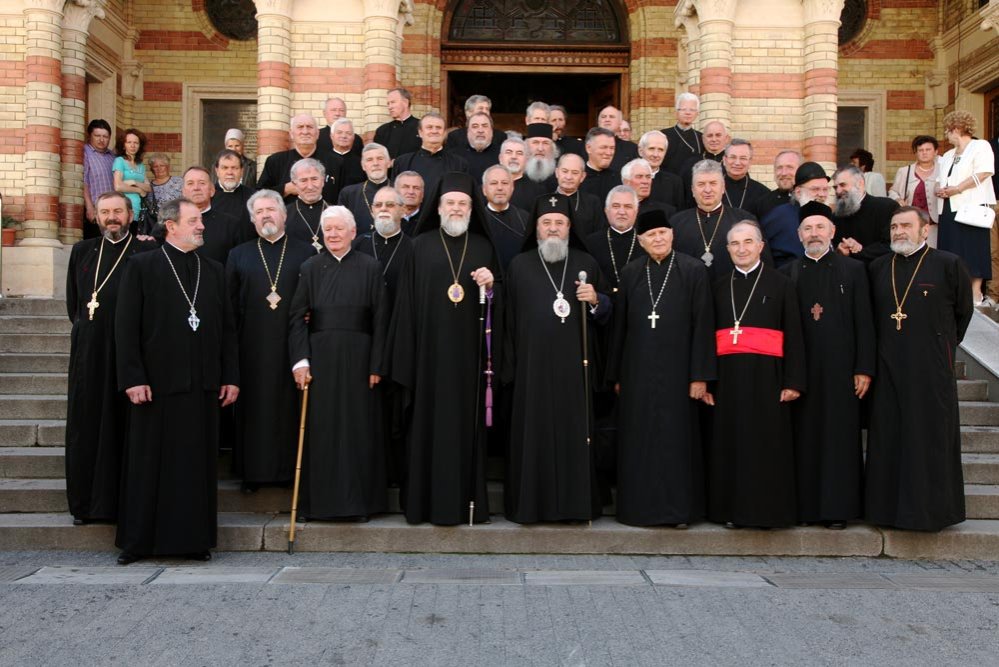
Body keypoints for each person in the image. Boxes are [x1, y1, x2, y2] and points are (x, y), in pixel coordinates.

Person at [114, 197, 239, 565]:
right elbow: (125, 328)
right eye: (194, 221)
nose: (202, 226)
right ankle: (137, 543)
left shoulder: (214, 270)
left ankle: (192, 540)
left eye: (200, 221)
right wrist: (133, 377)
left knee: (194, 467)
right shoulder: (141, 267)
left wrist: (230, 375)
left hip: (202, 386)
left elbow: (228, 330)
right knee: (148, 465)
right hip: (155, 386)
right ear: (171, 225)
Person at [387, 172, 498, 525]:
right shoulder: (419, 247)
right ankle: (422, 504)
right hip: (427, 360)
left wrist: (491, 286)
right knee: (425, 429)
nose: (456, 208)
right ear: (437, 208)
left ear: (471, 208)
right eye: (450, 203)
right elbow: (404, 305)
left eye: (462, 203)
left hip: (469, 361)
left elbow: (500, 304)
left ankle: (469, 504)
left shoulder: (483, 246)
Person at [502, 193, 610, 524]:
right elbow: (507, 321)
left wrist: (596, 300)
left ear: (569, 227)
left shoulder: (586, 263)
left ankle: (575, 507)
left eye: (559, 223)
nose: (553, 229)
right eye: (546, 223)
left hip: (573, 371)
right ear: (536, 228)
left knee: (573, 434)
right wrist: (511, 368)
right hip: (531, 371)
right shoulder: (519, 266)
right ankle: (531, 507)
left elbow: (607, 312)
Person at [865, 206, 973, 531]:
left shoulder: (948, 264)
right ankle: (885, 513)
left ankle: (931, 514)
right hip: (888, 369)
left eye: (906, 226)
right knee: (889, 440)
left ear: (924, 230)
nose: (899, 232)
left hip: (931, 371)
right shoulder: (879, 267)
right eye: (895, 226)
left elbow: (963, 314)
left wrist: (940, 348)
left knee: (929, 440)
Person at [606, 208, 715, 527]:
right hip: (637, 373)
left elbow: (703, 324)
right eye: (651, 235)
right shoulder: (630, 273)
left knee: (675, 442)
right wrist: (616, 374)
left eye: (663, 233)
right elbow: (620, 328)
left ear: (672, 235)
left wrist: (700, 376)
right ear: (641, 241)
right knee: (640, 441)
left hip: (680, 374)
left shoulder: (693, 271)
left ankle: (678, 511)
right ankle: (638, 510)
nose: (658, 239)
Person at [288, 206, 389, 521]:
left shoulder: (371, 267)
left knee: (357, 431)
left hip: (360, 362)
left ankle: (359, 504)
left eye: (337, 229)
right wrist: (300, 361)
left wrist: (377, 365)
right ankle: (317, 505)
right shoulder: (310, 266)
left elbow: (382, 320)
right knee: (322, 430)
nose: (332, 234)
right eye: (327, 229)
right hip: (320, 360)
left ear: (352, 231)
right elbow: (296, 318)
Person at [704, 220, 805, 529]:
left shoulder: (781, 283)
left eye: (748, 242)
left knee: (766, 446)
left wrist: (793, 380)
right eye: (735, 244)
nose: (742, 249)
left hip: (768, 379)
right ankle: (731, 511)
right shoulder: (719, 285)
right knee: (731, 445)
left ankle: (767, 513)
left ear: (761, 246)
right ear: (728, 249)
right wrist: (707, 380)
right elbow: (707, 336)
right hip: (729, 379)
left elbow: (795, 334)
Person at [780, 201, 875, 528]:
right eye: (807, 228)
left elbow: (865, 322)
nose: (814, 233)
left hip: (841, 371)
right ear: (798, 235)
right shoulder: (787, 273)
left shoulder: (854, 270)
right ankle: (805, 508)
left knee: (839, 440)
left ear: (832, 232)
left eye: (820, 227)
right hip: (801, 370)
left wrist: (864, 367)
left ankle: (837, 510)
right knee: (803, 438)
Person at [64, 192, 157, 526]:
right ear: (97, 217)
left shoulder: (146, 251)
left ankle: (120, 505)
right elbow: (74, 304)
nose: (111, 217)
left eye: (118, 211)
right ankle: (86, 504)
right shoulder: (82, 251)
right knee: (86, 428)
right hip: (89, 357)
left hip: (127, 355)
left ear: (130, 215)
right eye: (105, 212)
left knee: (122, 429)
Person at [225, 190, 313, 492]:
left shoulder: (306, 253)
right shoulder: (239, 254)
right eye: (259, 211)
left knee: (288, 409)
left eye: (271, 210)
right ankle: (253, 473)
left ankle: (289, 472)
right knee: (254, 411)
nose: (266, 215)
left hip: (292, 344)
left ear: (284, 215)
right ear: (252, 219)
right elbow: (230, 305)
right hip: (252, 346)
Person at [352, 186, 414, 487]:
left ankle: (398, 473)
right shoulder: (359, 248)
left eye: (392, 204)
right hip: (365, 341)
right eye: (379, 205)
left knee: (398, 409)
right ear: (371, 210)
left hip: (402, 337)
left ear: (404, 210)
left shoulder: (414, 248)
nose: (385, 209)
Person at [935, 110, 997, 306]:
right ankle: (954, 292)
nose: (946, 134)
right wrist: (940, 189)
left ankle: (975, 293)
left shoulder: (980, 146)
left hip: (971, 207)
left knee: (974, 248)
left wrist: (958, 188)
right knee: (950, 249)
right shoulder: (948, 154)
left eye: (948, 130)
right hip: (948, 207)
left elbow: (985, 171)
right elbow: (938, 179)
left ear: (957, 129)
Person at [670, 159, 760, 280]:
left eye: (713, 183)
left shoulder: (744, 220)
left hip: (732, 292)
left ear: (723, 187)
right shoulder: (676, 223)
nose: (707, 190)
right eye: (701, 184)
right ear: (692, 190)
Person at [257, 113, 343, 204]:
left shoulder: (335, 162)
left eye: (309, 127)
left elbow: (345, 197)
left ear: (317, 133)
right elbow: (259, 195)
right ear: (291, 134)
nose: (305, 132)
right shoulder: (275, 161)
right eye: (300, 127)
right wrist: (285, 189)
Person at [760, 161, 831, 268]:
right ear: (798, 192)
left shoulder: (828, 216)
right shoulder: (779, 216)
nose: (821, 194)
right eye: (815, 189)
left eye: (825, 189)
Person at [182, 166, 252, 266]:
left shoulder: (231, 224)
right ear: (183, 192)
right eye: (190, 183)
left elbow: (241, 262)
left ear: (212, 190)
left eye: (202, 183)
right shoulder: (170, 223)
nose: (196, 188)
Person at [584, 185, 647, 293]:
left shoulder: (647, 242)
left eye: (628, 206)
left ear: (636, 211)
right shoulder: (590, 243)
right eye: (616, 206)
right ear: (606, 210)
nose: (622, 212)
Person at [832, 165, 898, 266]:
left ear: (860, 184)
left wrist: (860, 250)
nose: (838, 191)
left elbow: (892, 245)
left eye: (843, 185)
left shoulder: (886, 207)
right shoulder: (836, 215)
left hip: (878, 274)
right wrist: (840, 249)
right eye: (835, 187)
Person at [392, 112, 468, 197]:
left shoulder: (459, 164)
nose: (434, 131)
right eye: (429, 127)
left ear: (444, 133)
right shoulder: (403, 162)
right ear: (420, 132)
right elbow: (395, 196)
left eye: (438, 128)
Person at [888, 135, 940, 246]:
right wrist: (898, 199)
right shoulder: (904, 171)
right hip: (911, 226)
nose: (924, 153)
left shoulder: (942, 170)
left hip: (936, 226)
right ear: (915, 153)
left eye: (928, 149)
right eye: (920, 150)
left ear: (935, 152)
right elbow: (892, 191)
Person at [481, 164, 530, 270]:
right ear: (484, 190)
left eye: (505, 183)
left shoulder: (526, 218)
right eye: (494, 183)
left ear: (512, 188)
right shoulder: (477, 220)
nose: (500, 188)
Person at [337, 143, 392, 235]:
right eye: (369, 160)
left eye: (380, 158)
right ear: (363, 166)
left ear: (389, 163)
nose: (375, 163)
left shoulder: (401, 191)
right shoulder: (349, 194)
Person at [679, 120, 729, 207]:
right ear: (703, 139)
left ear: (726, 138)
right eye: (709, 136)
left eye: (718, 135)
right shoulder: (690, 164)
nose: (714, 139)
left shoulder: (732, 164)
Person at [510, 122, 558, 210]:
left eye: (545, 143)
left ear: (552, 148)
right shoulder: (515, 177)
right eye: (535, 142)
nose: (540, 148)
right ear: (526, 147)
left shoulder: (559, 178)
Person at [554, 153, 604, 238]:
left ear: (582, 177)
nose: (569, 177)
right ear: (557, 173)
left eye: (575, 173)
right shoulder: (543, 201)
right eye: (565, 171)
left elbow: (598, 235)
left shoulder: (592, 203)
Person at [446, 110, 504, 182]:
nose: (480, 130)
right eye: (475, 126)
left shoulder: (503, 156)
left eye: (485, 126)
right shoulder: (453, 156)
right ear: (468, 131)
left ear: (491, 131)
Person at [721, 139, 771, 220]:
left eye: (743, 158)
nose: (737, 163)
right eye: (733, 157)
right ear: (724, 160)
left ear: (750, 162)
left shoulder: (763, 194)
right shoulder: (712, 190)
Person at [82, 119, 116, 239]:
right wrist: (89, 207)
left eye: (105, 136)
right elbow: (83, 181)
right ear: (90, 136)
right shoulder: (85, 152)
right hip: (95, 211)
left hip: (112, 212)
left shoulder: (113, 157)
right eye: (97, 136)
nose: (101, 140)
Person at [112, 128, 150, 225]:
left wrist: (134, 182)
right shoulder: (120, 161)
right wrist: (139, 190)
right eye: (129, 142)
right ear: (124, 145)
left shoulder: (140, 165)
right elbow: (118, 186)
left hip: (139, 210)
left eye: (136, 143)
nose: (133, 145)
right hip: (124, 208)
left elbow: (149, 188)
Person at [638, 130, 684, 210]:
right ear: (641, 151)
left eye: (660, 150)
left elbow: (679, 216)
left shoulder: (675, 183)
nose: (656, 154)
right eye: (651, 149)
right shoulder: (628, 177)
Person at [661, 92, 702, 176]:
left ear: (697, 113)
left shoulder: (701, 137)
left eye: (692, 110)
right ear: (676, 112)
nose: (688, 113)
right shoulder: (663, 135)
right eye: (683, 109)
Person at [211, 148, 254, 229]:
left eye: (234, 168)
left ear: (242, 171)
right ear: (217, 171)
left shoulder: (253, 197)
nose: (230, 172)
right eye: (225, 168)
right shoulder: (208, 196)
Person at [373, 87, 421, 159]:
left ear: (405, 102)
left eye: (393, 102)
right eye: (388, 103)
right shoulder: (382, 131)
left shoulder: (422, 127)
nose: (389, 107)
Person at [757, 150, 802, 218]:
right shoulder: (763, 203)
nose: (784, 173)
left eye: (789, 167)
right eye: (779, 168)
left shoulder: (811, 198)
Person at [580, 127, 621, 202]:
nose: (608, 153)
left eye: (612, 148)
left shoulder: (619, 179)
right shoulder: (577, 178)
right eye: (603, 147)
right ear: (588, 148)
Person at [596, 105, 639, 170]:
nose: (607, 119)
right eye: (603, 117)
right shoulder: (586, 146)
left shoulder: (632, 149)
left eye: (611, 117)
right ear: (598, 123)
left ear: (619, 123)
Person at [327, 118, 365, 187]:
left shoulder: (362, 164)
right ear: (331, 136)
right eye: (339, 132)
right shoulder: (322, 162)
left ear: (353, 137)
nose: (344, 136)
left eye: (348, 133)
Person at [394, 170, 425, 236]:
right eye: (406, 187)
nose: (411, 192)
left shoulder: (429, 223)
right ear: (395, 192)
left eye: (416, 188)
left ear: (422, 195)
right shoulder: (388, 220)